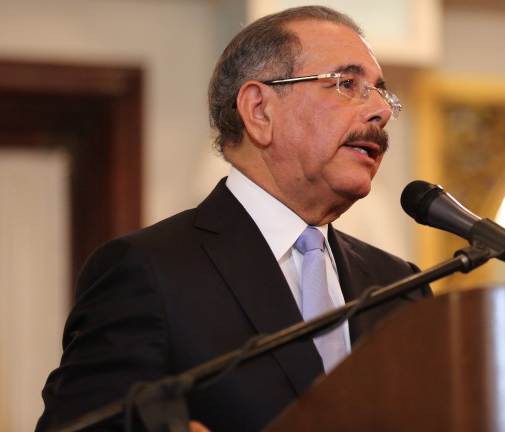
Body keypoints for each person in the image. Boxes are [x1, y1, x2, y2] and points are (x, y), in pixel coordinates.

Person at [36, 5, 431, 432]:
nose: (381, 111)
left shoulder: (399, 287)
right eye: (347, 84)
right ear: (259, 110)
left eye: (382, 92)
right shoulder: (148, 272)